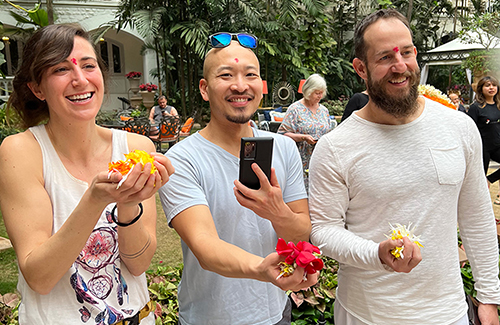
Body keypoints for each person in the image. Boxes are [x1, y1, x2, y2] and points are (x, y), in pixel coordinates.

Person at [309, 9, 500, 325]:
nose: (400, 66)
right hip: (366, 314)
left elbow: (476, 216)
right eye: (385, 57)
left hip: (447, 313)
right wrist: (376, 253)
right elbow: (324, 231)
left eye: (407, 52)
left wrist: (489, 297)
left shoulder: (459, 127)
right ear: (361, 68)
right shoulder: (336, 147)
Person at [0, 24, 174, 324]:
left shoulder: (135, 147)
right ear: (37, 88)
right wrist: (94, 200)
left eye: (88, 65)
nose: (80, 80)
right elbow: (39, 277)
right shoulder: (21, 152)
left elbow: (139, 264)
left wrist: (128, 202)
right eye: (60, 70)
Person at [158, 34, 317, 325]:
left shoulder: (283, 147)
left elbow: (302, 232)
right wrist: (260, 269)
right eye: (226, 75)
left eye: (250, 75)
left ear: (261, 87)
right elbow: (205, 247)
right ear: (205, 89)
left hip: (275, 312)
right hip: (209, 317)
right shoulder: (182, 159)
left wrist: (277, 213)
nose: (240, 85)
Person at [277, 74, 331, 191]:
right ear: (308, 91)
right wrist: (303, 137)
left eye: (322, 93)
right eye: (317, 93)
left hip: (321, 160)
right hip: (301, 160)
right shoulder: (295, 109)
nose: (320, 96)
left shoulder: (324, 110)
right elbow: (282, 134)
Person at [467, 76, 500, 204]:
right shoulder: (476, 107)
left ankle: (490, 179)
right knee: (478, 183)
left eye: (494, 85)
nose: (491, 88)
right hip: (482, 148)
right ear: (481, 89)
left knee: (485, 180)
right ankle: (477, 207)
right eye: (487, 85)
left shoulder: (498, 105)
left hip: (497, 146)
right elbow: (469, 128)